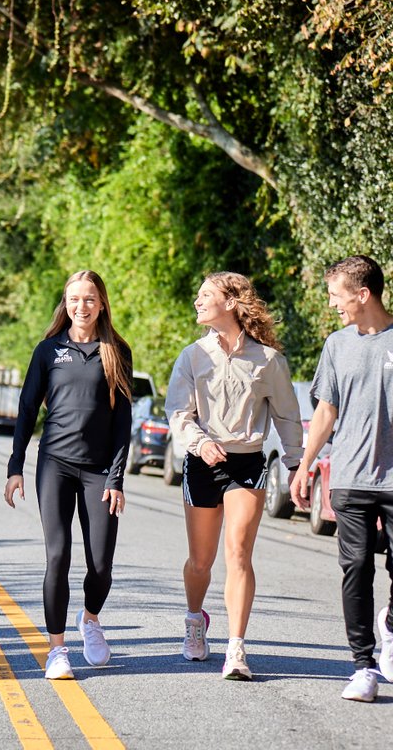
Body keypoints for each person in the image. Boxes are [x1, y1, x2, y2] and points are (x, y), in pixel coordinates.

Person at [165, 272, 303, 681]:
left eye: (205, 295)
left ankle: (237, 648)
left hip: (246, 463)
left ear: (231, 302)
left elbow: (288, 417)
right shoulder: (192, 356)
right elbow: (178, 412)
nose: (197, 301)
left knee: (239, 553)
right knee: (201, 561)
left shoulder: (268, 361)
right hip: (202, 463)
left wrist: (296, 465)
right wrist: (199, 442)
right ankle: (195, 619)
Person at [4, 270, 132, 681]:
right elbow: (26, 410)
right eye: (74, 298)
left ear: (102, 303)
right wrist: (15, 466)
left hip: (99, 471)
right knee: (58, 555)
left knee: (101, 565)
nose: (82, 306)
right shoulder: (48, 350)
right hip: (55, 464)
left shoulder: (116, 351)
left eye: (90, 298)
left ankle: (90, 619)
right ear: (65, 303)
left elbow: (122, 422)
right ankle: (57, 649)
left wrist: (116, 479)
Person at [291, 255, 393, 703]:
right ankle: (363, 666)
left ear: (362, 294)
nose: (332, 304)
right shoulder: (336, 345)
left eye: (336, 295)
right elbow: (325, 411)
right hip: (350, 478)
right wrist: (305, 464)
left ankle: (389, 623)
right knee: (356, 569)